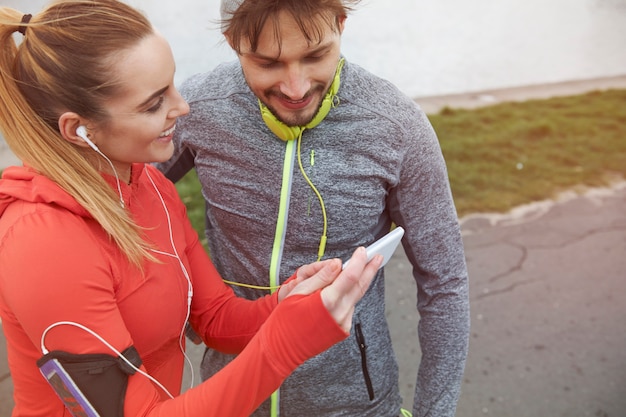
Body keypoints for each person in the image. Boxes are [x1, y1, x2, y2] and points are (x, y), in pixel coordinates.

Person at [0, 1, 384, 416]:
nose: (181, 108)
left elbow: (214, 318)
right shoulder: (42, 245)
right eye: (154, 103)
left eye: (171, 86)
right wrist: (287, 341)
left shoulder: (150, 188)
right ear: (79, 129)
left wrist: (286, 303)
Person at [157, 0, 471, 416]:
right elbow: (117, 198)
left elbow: (445, 283)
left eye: (316, 55)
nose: (296, 87)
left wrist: (436, 412)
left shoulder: (396, 125)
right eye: (268, 63)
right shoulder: (198, 107)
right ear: (232, 41)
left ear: (341, 25)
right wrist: (182, 294)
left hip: (354, 404)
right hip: (230, 398)